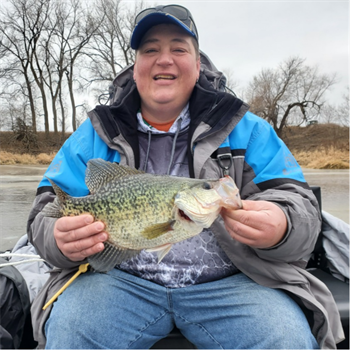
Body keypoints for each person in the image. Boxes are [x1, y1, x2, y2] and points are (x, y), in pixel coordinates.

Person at [27, 4, 343, 349]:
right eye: (150, 50)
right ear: (136, 68)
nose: (165, 59)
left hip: (236, 284)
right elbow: (45, 212)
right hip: (117, 282)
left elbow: (301, 209)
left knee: (286, 339)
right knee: (71, 332)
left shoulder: (247, 130)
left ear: (197, 64)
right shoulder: (93, 135)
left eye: (179, 48)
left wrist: (282, 227)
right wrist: (58, 239)